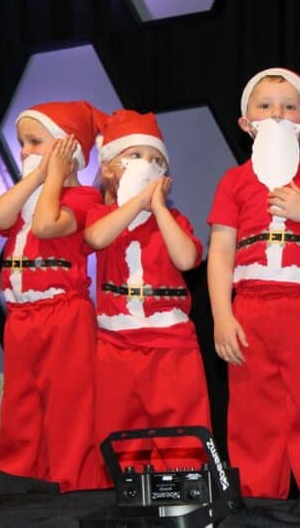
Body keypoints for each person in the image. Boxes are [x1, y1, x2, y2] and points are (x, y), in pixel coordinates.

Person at [207, 68, 300, 498]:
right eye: (265, 105)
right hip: (251, 310)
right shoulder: (234, 181)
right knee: (254, 411)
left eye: (289, 106)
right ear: (246, 123)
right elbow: (220, 252)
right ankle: (257, 500)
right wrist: (222, 316)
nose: (277, 113)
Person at [84, 109, 211, 486]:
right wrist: (135, 203)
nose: (147, 165)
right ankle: (127, 496)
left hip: (172, 344)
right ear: (109, 168)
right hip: (117, 344)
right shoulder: (101, 215)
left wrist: (157, 208)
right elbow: (96, 238)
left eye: (157, 160)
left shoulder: (175, 221)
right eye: (136, 156)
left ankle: (183, 495)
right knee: (120, 431)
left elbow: (186, 259)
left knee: (180, 434)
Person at [0, 101, 105, 491]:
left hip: (63, 313)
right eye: (21, 143)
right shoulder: (25, 201)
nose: (24, 151)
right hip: (22, 316)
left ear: (68, 148)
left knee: (68, 404)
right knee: (20, 403)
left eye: (35, 142)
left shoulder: (84, 197)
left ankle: (73, 485)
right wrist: (37, 176)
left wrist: (52, 177)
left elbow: (47, 226)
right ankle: (19, 481)